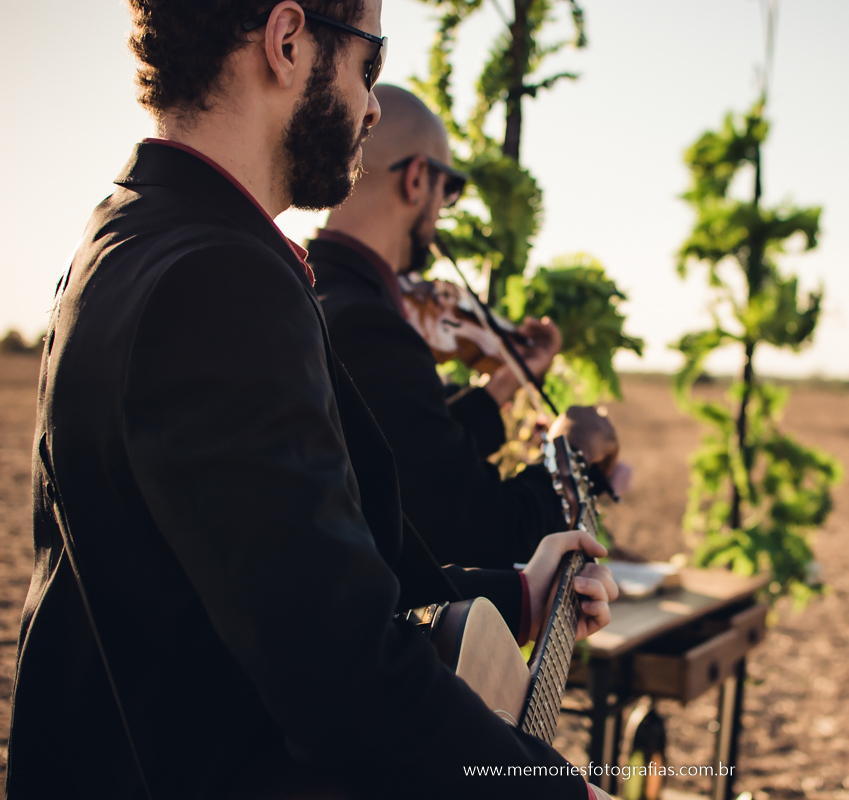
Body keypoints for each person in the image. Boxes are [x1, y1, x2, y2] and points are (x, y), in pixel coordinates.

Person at [9, 3, 616, 797]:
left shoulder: (125, 235)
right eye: (370, 64)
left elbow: (279, 577)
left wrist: (518, 592)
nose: (372, 104)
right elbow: (343, 682)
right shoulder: (217, 282)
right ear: (288, 41)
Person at [307, 85, 627, 570]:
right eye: (449, 189)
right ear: (417, 179)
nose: (443, 209)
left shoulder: (315, 295)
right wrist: (573, 454)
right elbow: (481, 531)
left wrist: (501, 385)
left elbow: (408, 453)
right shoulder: (367, 326)